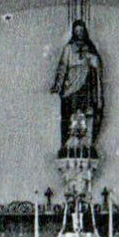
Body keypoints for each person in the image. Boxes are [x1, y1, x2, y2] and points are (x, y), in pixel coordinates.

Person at [50, 19, 103, 157]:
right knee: (70, 111)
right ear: (73, 32)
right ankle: (69, 141)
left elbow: (97, 67)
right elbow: (62, 67)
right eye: (76, 31)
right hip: (71, 85)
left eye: (81, 31)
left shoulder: (89, 49)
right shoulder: (68, 48)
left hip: (85, 83)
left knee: (86, 111)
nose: (79, 34)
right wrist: (58, 84)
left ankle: (86, 142)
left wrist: (93, 59)